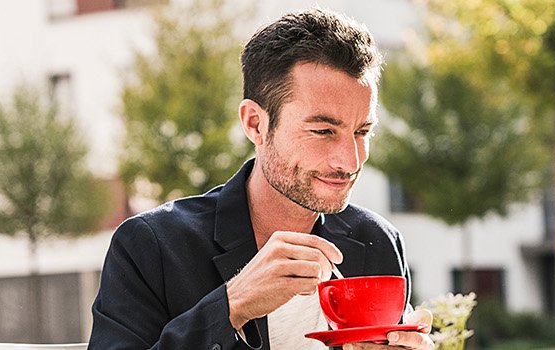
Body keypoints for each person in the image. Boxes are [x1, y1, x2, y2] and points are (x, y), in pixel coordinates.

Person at [89, 8, 433, 350]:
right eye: (323, 130)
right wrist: (231, 306)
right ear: (255, 123)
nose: (350, 160)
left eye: (362, 131)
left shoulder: (378, 242)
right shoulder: (151, 246)